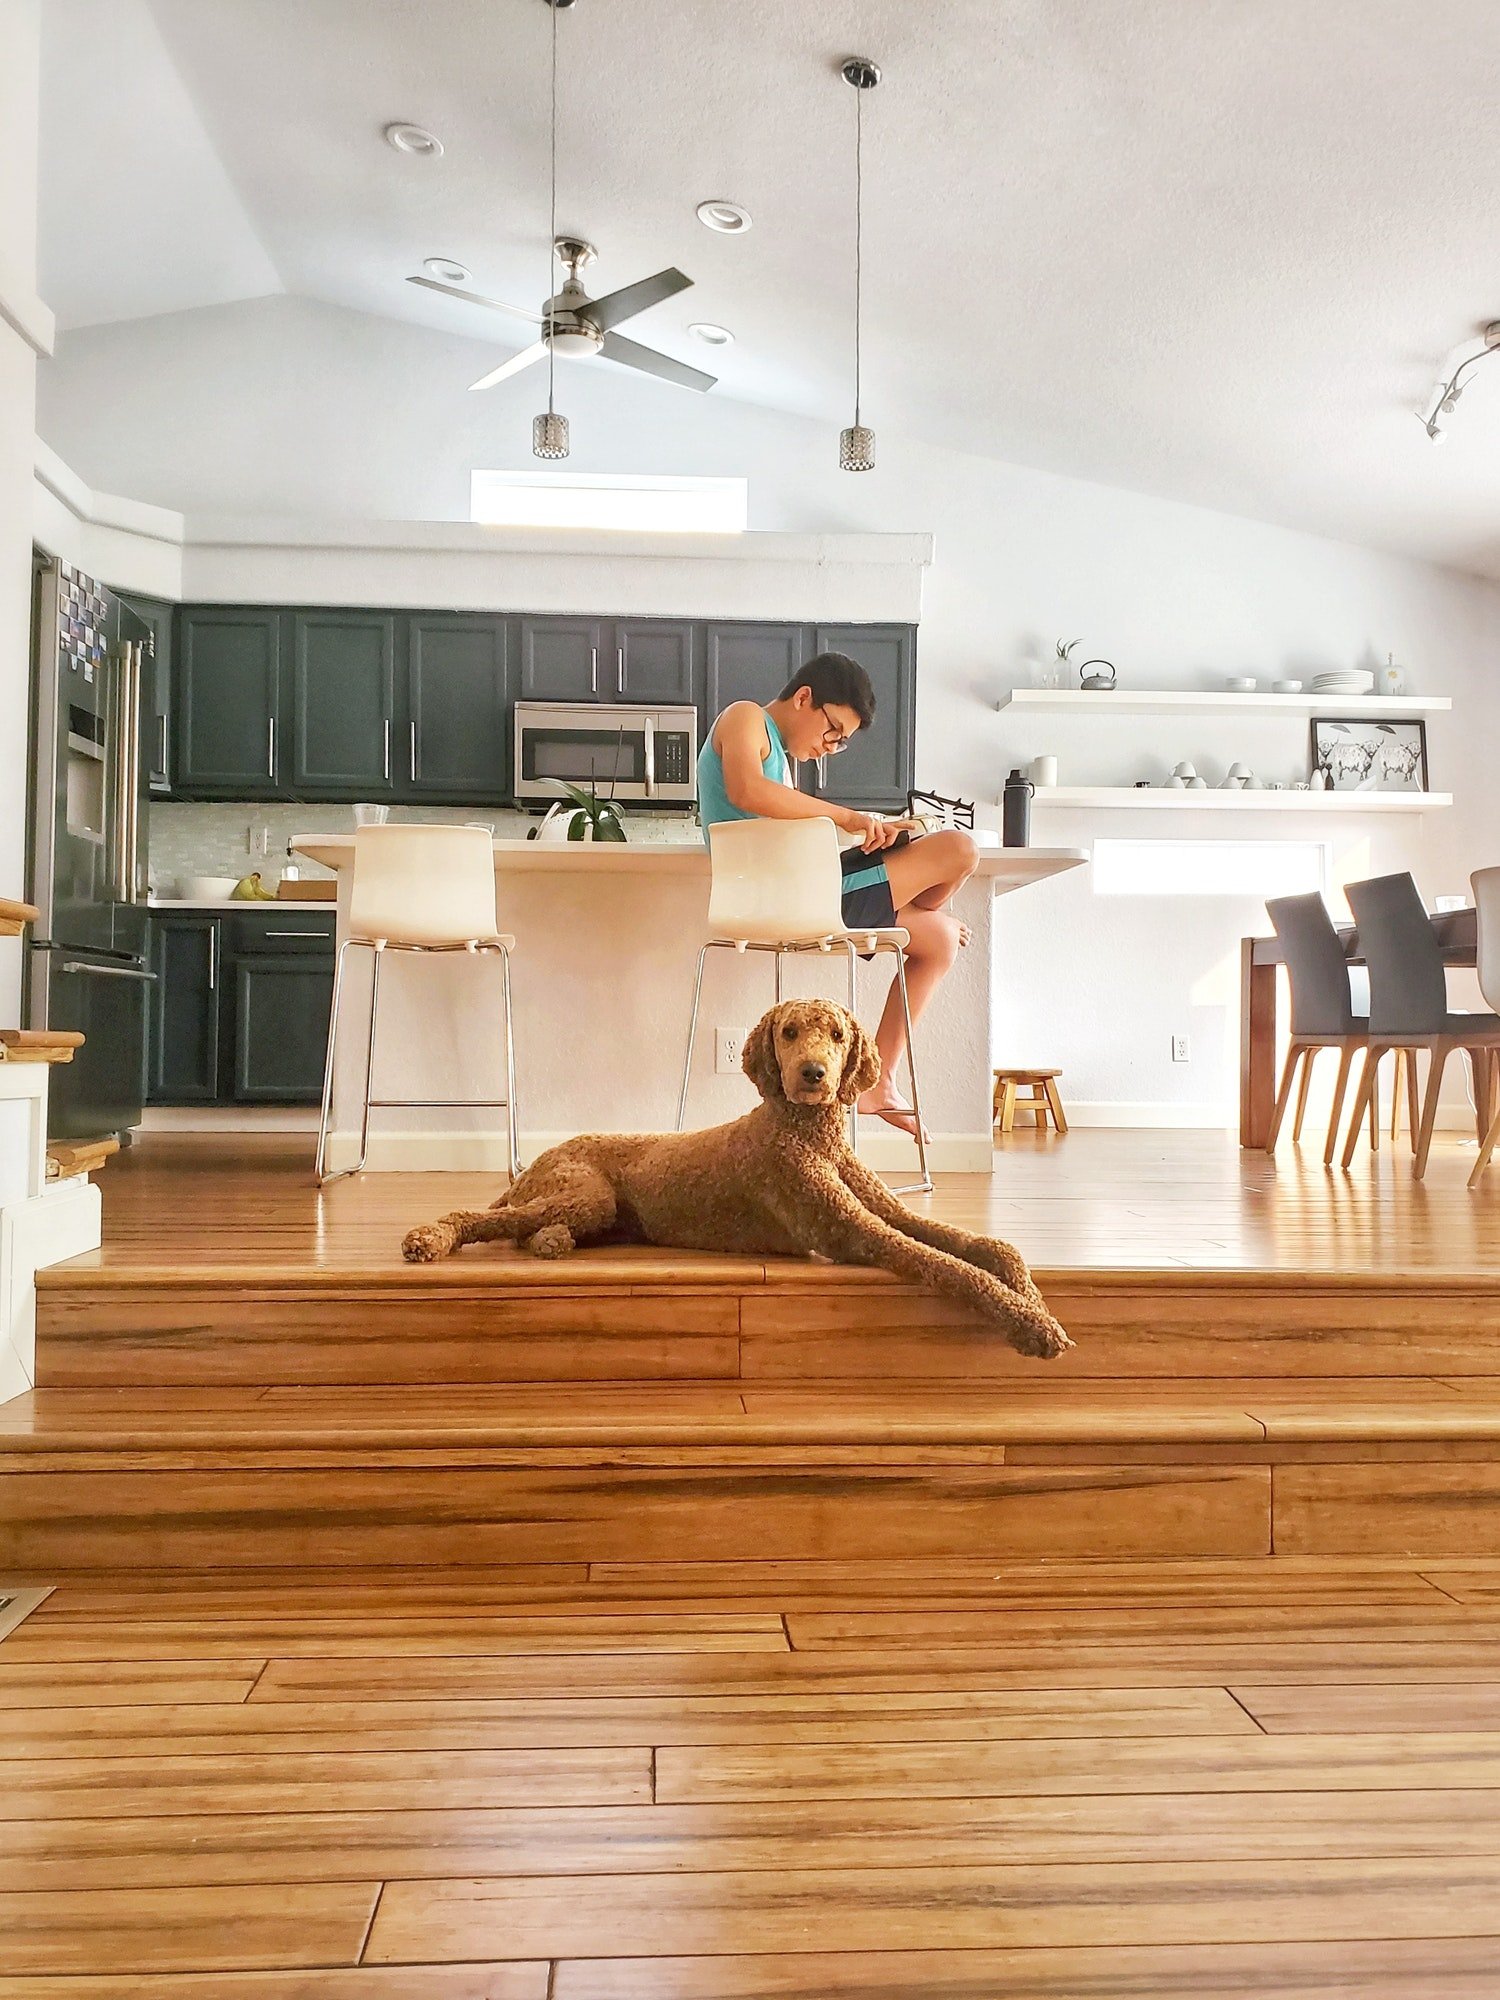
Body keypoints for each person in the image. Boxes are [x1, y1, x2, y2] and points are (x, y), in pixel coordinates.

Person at [697, 651, 978, 1137]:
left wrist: (867, 832)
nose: (831, 747)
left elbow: (778, 817)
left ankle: (880, 1082)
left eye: (841, 742)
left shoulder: (783, 760)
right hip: (789, 894)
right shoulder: (745, 717)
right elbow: (746, 789)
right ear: (804, 698)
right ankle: (919, 912)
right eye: (833, 731)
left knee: (939, 942)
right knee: (959, 850)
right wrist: (848, 817)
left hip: (805, 884)